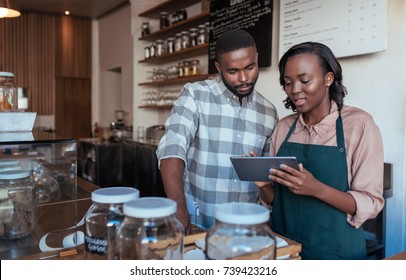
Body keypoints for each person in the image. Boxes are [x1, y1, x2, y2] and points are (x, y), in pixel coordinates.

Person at [255, 42, 385, 259]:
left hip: (336, 253)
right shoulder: (284, 127)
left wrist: (316, 189)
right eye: (287, 83)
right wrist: (263, 185)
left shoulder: (359, 125)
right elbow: (278, 201)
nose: (295, 89)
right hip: (286, 249)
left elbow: (370, 203)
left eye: (305, 80)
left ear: (328, 79)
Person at [156, 29, 278, 233]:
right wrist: (178, 208)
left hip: (245, 229)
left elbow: (265, 181)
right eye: (233, 71)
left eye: (250, 67)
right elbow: (172, 147)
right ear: (219, 67)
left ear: (257, 59)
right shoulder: (195, 95)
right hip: (197, 223)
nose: (244, 78)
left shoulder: (268, 112)